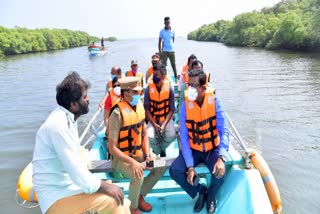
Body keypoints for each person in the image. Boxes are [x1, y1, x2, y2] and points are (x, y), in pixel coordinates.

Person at [32, 72, 130, 214]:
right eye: (85, 97)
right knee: (114, 202)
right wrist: (104, 186)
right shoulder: (58, 126)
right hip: (56, 197)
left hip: (68, 188)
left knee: (123, 200)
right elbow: (75, 170)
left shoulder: (68, 119)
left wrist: (103, 185)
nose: (88, 99)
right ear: (73, 104)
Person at [169, 69, 229, 214]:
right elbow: (184, 136)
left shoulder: (215, 102)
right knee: (175, 170)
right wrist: (190, 167)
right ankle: (201, 191)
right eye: (188, 85)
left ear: (202, 87)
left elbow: (224, 130)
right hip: (194, 150)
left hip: (211, 149)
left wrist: (221, 157)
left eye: (193, 86)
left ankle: (211, 196)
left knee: (220, 173)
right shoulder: (185, 106)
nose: (189, 89)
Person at [108, 76, 166, 214]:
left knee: (160, 165)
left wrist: (147, 155)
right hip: (122, 159)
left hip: (140, 154)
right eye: (135, 92)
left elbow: (144, 134)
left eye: (139, 91)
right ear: (126, 94)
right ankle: (132, 207)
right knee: (138, 174)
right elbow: (112, 148)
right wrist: (133, 163)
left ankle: (139, 196)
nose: (138, 95)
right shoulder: (116, 114)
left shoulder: (139, 107)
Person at [144, 63, 176, 157]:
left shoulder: (169, 88)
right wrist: (154, 124)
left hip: (166, 118)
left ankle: (161, 149)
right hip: (152, 119)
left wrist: (164, 125)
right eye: (153, 74)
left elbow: (172, 109)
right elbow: (147, 110)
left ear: (163, 76)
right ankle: (158, 151)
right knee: (149, 136)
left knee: (171, 135)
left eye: (157, 75)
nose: (154, 77)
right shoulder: (148, 89)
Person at [158, 16, 177, 83]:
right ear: (164, 23)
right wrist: (160, 52)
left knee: (173, 65)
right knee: (163, 66)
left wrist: (171, 47)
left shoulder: (173, 31)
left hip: (172, 51)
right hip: (165, 51)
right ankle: (164, 79)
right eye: (166, 22)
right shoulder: (161, 31)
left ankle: (176, 79)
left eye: (168, 22)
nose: (167, 23)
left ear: (170, 22)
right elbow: (159, 42)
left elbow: (173, 40)